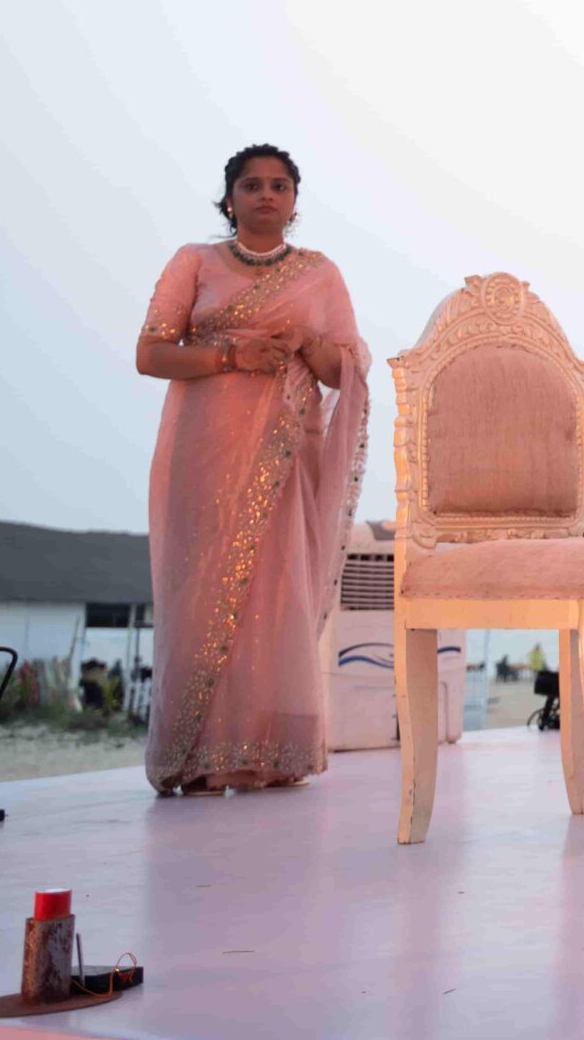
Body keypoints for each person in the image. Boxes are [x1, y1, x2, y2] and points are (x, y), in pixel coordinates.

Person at [135, 144, 369, 796]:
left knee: (273, 592)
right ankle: (195, 754)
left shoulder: (320, 274)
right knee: (198, 592)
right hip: (201, 450)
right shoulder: (194, 262)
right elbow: (151, 352)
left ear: (295, 200)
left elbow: (342, 369)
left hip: (283, 453)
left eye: (279, 185)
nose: (266, 194)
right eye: (251, 184)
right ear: (229, 197)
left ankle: (268, 749)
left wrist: (305, 341)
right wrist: (233, 354)